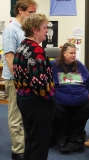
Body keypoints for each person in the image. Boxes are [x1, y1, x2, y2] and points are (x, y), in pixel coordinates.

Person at [13, 13, 55, 160]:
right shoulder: (36, 50)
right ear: (35, 29)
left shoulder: (22, 46)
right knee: (40, 144)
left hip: (23, 100)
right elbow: (39, 84)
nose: (47, 31)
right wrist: (51, 98)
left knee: (30, 139)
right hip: (37, 103)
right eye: (44, 28)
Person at [2, 0, 37, 159]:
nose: (32, 15)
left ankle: (25, 144)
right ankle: (18, 151)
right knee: (16, 116)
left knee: (26, 115)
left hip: (27, 79)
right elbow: (9, 57)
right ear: (20, 10)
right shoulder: (11, 29)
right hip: (16, 80)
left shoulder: (25, 30)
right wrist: (19, 80)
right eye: (30, 12)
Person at [51, 42, 89, 153]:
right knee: (58, 110)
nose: (73, 55)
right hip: (60, 100)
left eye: (75, 53)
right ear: (63, 53)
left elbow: (87, 81)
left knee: (87, 107)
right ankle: (62, 135)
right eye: (71, 53)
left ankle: (76, 134)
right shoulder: (53, 65)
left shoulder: (78, 65)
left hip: (80, 99)